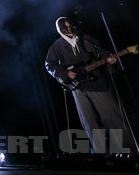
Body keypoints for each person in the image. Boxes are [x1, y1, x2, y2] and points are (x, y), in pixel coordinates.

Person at [45, 16, 132, 154]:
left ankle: (127, 151)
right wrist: (64, 74)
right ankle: (102, 154)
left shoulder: (86, 38)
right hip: (79, 88)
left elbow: (102, 52)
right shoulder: (56, 46)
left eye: (70, 26)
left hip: (98, 84)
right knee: (90, 122)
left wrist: (111, 59)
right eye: (64, 27)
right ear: (59, 30)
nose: (68, 29)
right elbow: (49, 64)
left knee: (112, 117)